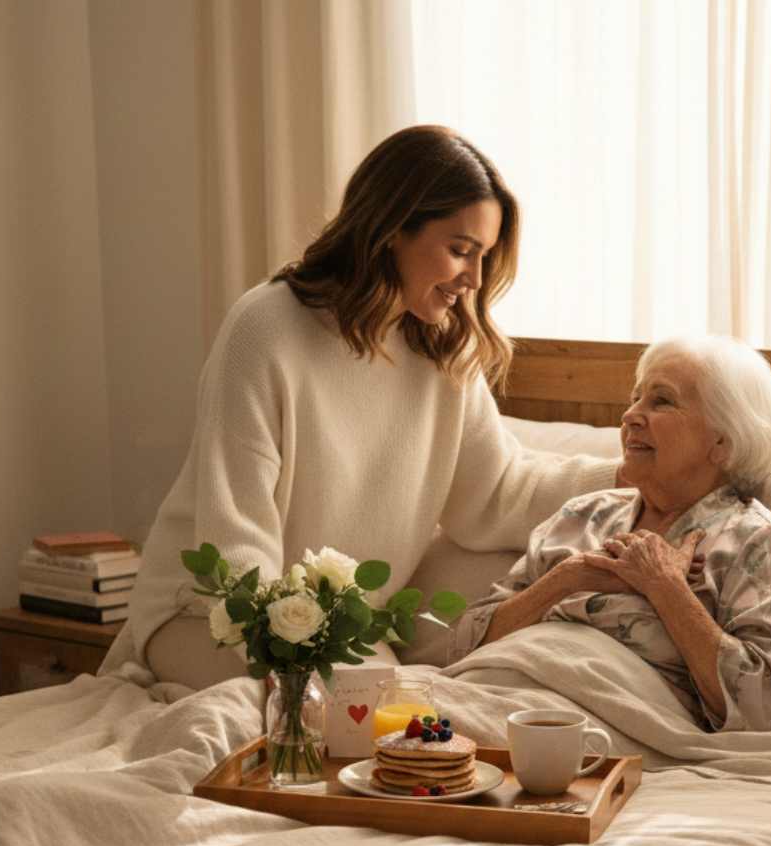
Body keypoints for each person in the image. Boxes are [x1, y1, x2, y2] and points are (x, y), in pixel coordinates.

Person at [110, 125, 620, 690]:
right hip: (207, 615)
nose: (474, 280)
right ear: (392, 228)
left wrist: (632, 478)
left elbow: (497, 492)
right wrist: (287, 664)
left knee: (404, 716)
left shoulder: (443, 349)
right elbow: (236, 536)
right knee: (349, 716)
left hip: (333, 628)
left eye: (483, 257)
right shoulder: (266, 329)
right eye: (460, 251)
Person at [448, 336, 771, 732]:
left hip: (593, 724)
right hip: (485, 689)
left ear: (723, 441)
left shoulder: (757, 541)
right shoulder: (582, 515)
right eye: (635, 399)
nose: (630, 416)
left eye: (661, 401)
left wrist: (665, 587)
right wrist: (568, 578)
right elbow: (465, 644)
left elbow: (763, 707)